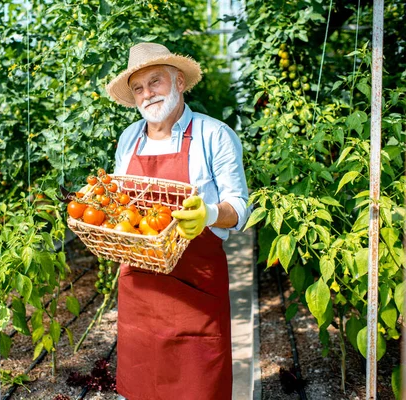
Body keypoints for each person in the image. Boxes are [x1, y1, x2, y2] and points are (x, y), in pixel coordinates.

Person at [105, 42, 250, 400]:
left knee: (199, 383)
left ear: (179, 82)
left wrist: (210, 214)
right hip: (139, 284)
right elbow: (121, 205)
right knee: (142, 383)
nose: (147, 94)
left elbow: (240, 206)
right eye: (138, 88)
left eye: (155, 82)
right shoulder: (129, 140)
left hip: (195, 285)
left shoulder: (213, 134)